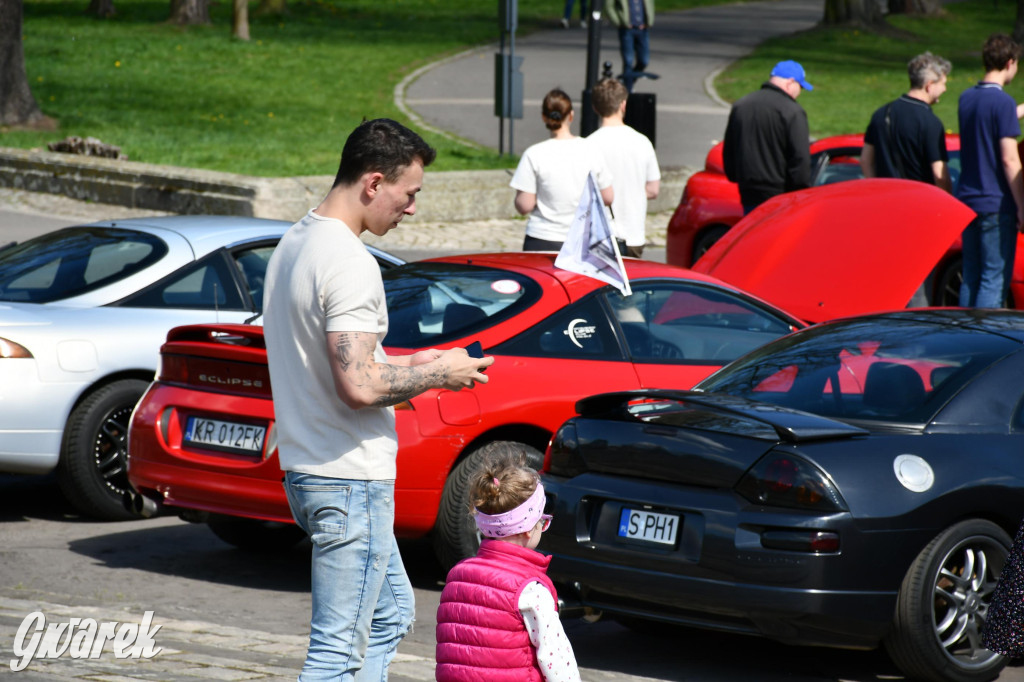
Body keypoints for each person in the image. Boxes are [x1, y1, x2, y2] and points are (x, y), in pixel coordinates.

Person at [262, 118, 494, 680]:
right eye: (408, 193)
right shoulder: (349, 261)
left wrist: (408, 363)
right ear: (372, 183)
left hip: (313, 468)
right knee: (335, 653)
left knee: (392, 614)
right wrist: (439, 372)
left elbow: (340, 360)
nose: (411, 207)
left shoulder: (297, 240)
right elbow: (360, 384)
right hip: (348, 479)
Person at [435, 444, 581, 682]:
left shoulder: (457, 575)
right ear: (527, 530)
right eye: (542, 521)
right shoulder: (530, 589)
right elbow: (556, 659)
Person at [956, 33, 1024, 309]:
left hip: (967, 199)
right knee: (993, 280)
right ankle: (984, 345)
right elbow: (1010, 159)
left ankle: (964, 340)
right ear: (1010, 63)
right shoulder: (1003, 103)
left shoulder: (966, 98)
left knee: (971, 277)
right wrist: (1021, 205)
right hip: (996, 203)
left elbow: (987, 121)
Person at [510, 88, 614, 251]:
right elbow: (608, 197)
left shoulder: (534, 154)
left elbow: (524, 206)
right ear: (571, 116)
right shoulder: (591, 149)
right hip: (583, 238)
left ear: (544, 117)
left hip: (543, 237)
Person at [722, 60, 813, 214]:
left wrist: (737, 177)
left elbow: (729, 149)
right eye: (800, 87)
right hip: (780, 196)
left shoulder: (741, 105)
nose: (799, 92)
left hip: (748, 192)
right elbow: (800, 158)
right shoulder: (792, 111)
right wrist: (801, 192)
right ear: (791, 82)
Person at [588, 77, 660, 258]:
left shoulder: (588, 145)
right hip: (633, 233)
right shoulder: (642, 142)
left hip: (598, 236)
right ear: (623, 105)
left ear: (595, 108)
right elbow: (653, 190)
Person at [861, 52, 953, 192]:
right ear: (929, 85)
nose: (945, 89)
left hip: (885, 201)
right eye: (943, 84)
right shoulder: (930, 122)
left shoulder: (881, 114)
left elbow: (866, 160)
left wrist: (876, 191)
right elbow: (939, 175)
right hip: (919, 204)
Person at [604, 0, 654, 91]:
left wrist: (649, 20)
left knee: (644, 60)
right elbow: (609, 6)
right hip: (626, 29)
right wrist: (619, 22)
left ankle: (628, 81)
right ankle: (628, 90)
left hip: (642, 29)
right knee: (628, 61)